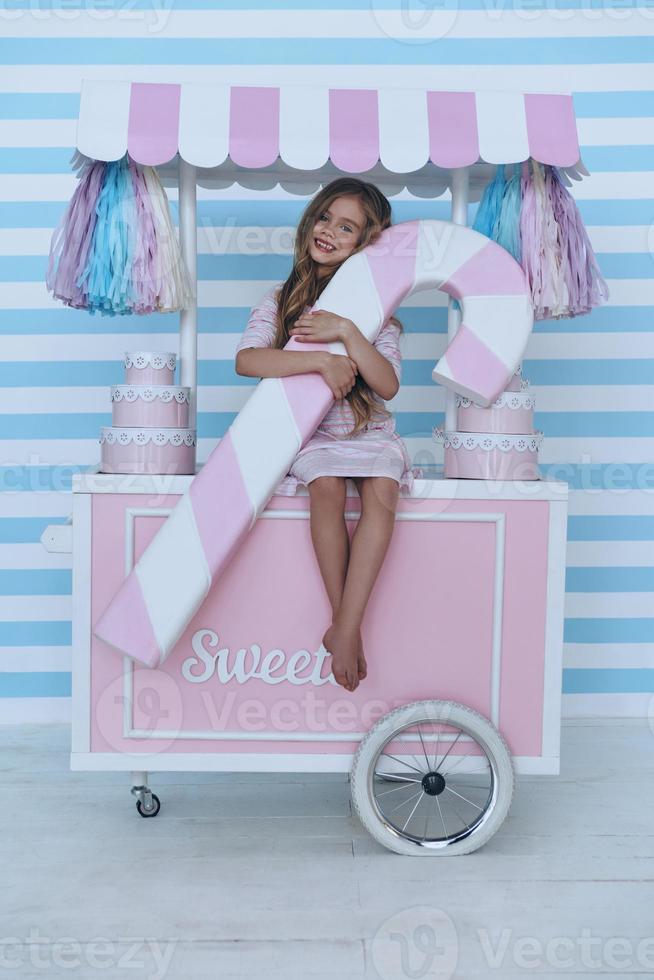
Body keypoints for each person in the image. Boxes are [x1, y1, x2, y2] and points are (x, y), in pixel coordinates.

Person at [234, 177, 419, 692]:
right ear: (310, 221)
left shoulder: (376, 315)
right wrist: (319, 360)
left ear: (363, 245)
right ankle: (348, 626)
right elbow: (247, 360)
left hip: (370, 431)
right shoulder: (282, 299)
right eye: (325, 219)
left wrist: (346, 334)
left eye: (347, 228)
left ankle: (343, 626)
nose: (330, 232)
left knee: (382, 489)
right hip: (314, 437)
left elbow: (387, 384)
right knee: (327, 487)